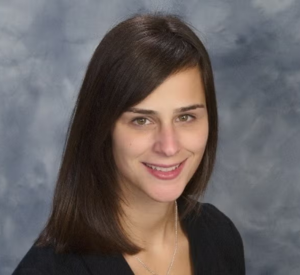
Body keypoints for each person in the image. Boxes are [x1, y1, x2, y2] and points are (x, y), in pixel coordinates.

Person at [12, 12, 245, 275]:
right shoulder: (48, 269)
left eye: (185, 117)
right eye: (142, 120)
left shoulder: (220, 235)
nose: (168, 146)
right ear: (101, 127)